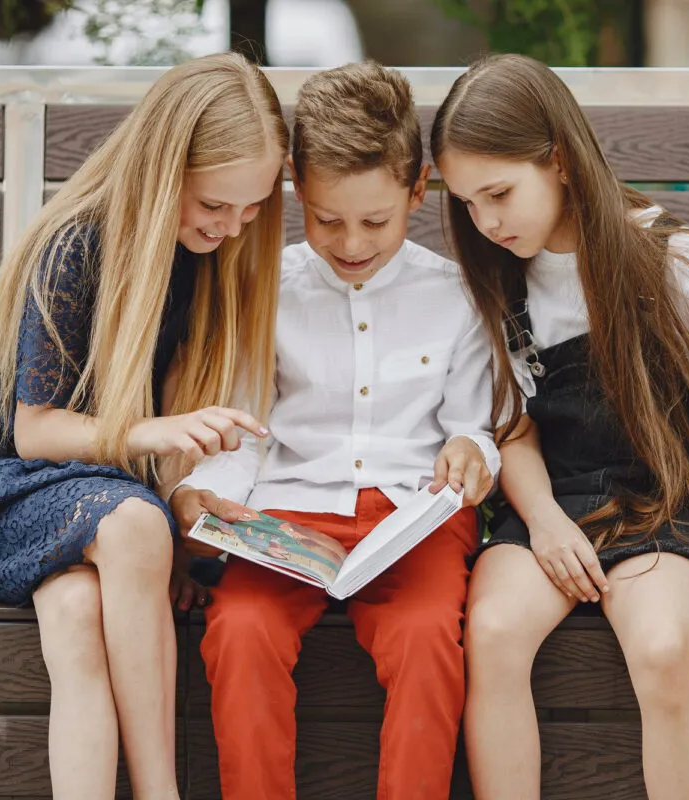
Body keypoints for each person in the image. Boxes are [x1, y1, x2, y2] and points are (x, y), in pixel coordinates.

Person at [429, 53, 689, 800]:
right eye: (466, 203)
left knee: (659, 644)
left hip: (667, 503)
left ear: (557, 158)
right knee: (489, 633)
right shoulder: (493, 277)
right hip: (552, 501)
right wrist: (546, 522)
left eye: (499, 194)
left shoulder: (678, 261)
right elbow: (511, 427)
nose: (485, 221)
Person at [0, 53, 287, 800]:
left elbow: (166, 424)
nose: (233, 226)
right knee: (135, 529)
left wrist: (180, 528)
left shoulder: (203, 255)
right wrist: (148, 434)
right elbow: (35, 432)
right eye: (216, 203)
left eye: (251, 209)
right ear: (164, 168)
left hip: (99, 498)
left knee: (81, 611)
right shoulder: (79, 244)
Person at [172, 61, 499, 800]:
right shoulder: (267, 290)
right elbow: (245, 428)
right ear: (295, 188)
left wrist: (470, 452)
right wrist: (201, 497)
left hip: (410, 520)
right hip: (286, 515)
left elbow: (473, 426)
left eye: (375, 221)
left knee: (427, 643)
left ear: (418, 190)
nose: (351, 242)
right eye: (327, 219)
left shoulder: (455, 297)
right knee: (240, 631)